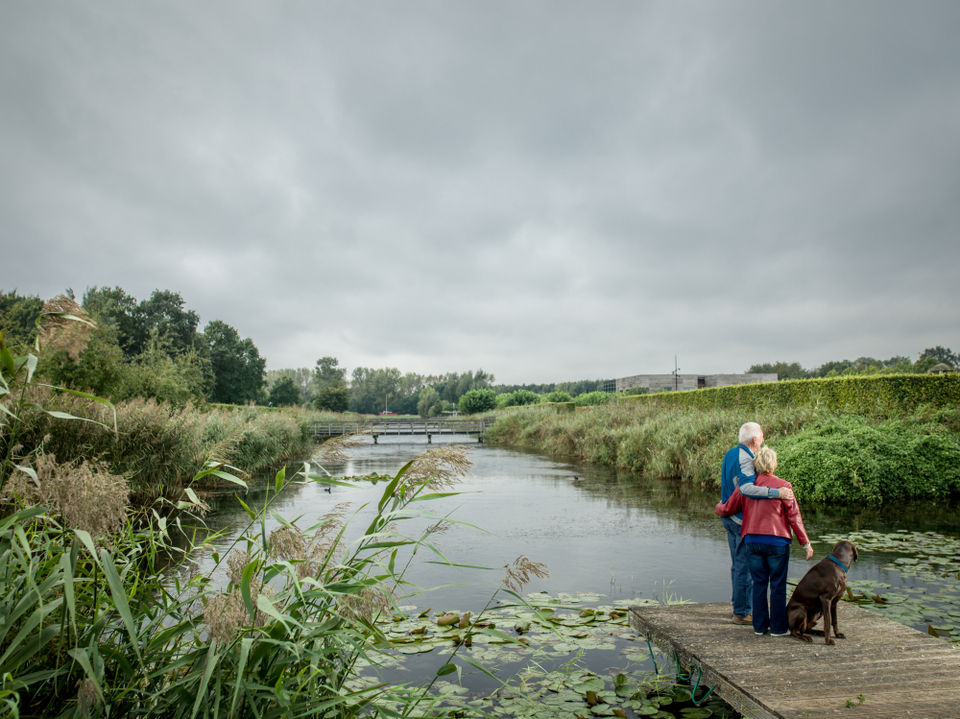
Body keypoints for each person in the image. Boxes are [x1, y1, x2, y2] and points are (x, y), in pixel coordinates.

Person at [716, 446, 814, 636]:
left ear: (755, 465)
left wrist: (718, 508)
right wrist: (806, 544)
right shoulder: (783, 486)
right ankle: (777, 628)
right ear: (774, 464)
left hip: (752, 541)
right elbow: (794, 518)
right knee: (777, 585)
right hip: (778, 542)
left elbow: (728, 508)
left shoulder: (745, 487)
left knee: (759, 583)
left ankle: (759, 627)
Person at [719, 422, 794, 625]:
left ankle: (739, 606)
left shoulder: (730, 454)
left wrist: (723, 506)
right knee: (744, 568)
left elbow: (726, 483)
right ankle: (743, 612)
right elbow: (746, 488)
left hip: (729, 516)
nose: (763, 439)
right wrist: (776, 493)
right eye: (761, 436)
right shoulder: (746, 458)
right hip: (739, 519)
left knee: (737, 566)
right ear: (754, 439)